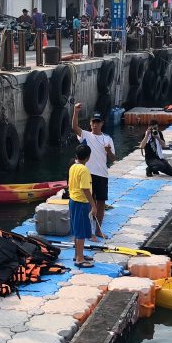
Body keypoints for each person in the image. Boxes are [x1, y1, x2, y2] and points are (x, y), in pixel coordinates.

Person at [71, 102, 114, 240]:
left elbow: (113, 158)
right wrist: (76, 112)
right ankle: (88, 231)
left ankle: (98, 230)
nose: (95, 124)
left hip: (102, 174)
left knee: (101, 203)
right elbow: (74, 127)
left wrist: (108, 151)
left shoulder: (108, 139)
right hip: (88, 174)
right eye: (93, 122)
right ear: (90, 123)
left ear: (102, 123)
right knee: (89, 203)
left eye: (98, 122)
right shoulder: (85, 135)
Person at [68, 144, 96, 268]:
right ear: (88, 157)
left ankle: (77, 254)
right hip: (80, 203)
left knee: (76, 229)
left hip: (73, 200)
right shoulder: (84, 170)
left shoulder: (73, 166)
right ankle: (79, 259)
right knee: (81, 232)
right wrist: (93, 205)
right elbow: (85, 189)